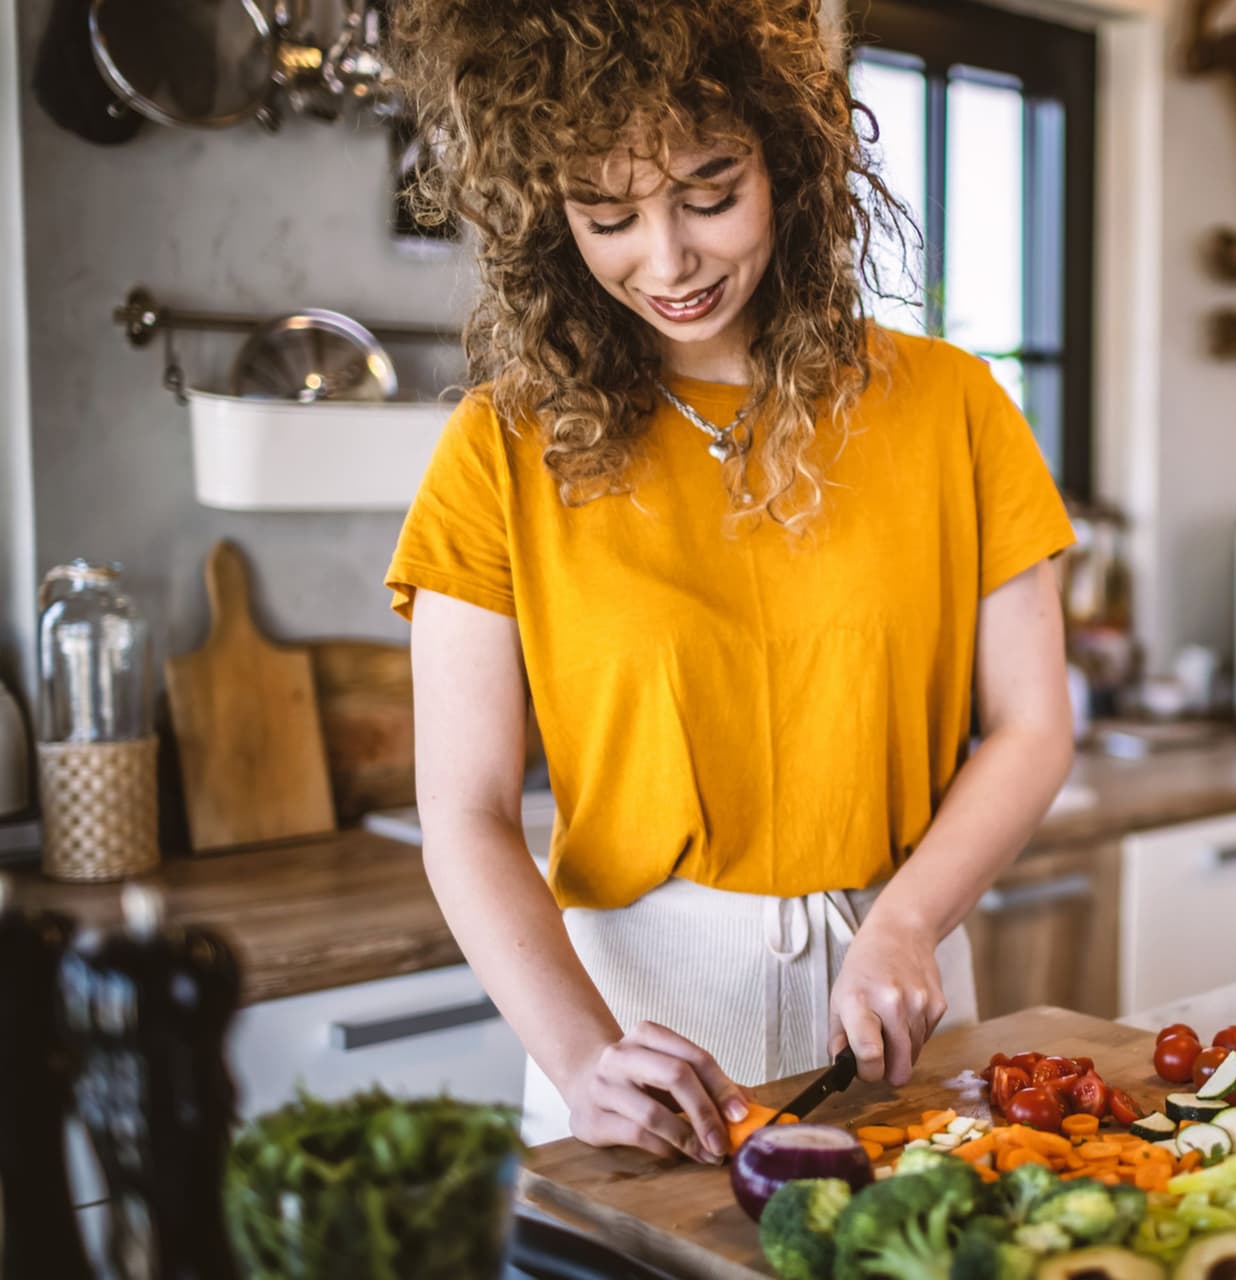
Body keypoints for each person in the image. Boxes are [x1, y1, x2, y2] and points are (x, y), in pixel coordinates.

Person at [383, 0, 1076, 1163]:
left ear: (789, 164)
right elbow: (464, 812)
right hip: (631, 1033)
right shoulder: (498, 448)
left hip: (894, 992)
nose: (668, 260)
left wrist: (909, 918)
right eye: (607, 215)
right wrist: (580, 1059)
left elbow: (1032, 724)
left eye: (710, 195)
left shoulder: (954, 406)